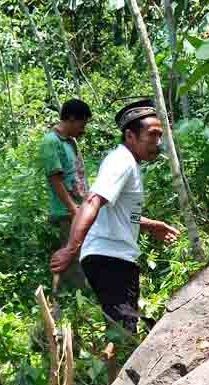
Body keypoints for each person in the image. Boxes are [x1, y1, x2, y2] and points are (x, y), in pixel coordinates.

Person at [49, 99, 179, 340]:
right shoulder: (121, 162)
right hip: (110, 258)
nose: (157, 142)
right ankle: (117, 378)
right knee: (123, 335)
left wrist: (152, 226)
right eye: (152, 135)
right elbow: (92, 201)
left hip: (115, 257)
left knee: (121, 331)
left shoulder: (129, 164)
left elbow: (117, 212)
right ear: (130, 136)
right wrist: (70, 249)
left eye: (160, 135)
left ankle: (114, 376)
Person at [39, 99, 92, 250]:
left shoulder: (71, 141)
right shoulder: (51, 142)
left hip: (80, 211)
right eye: (82, 125)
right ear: (71, 119)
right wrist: (73, 209)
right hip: (67, 214)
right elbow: (55, 180)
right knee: (72, 259)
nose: (83, 130)